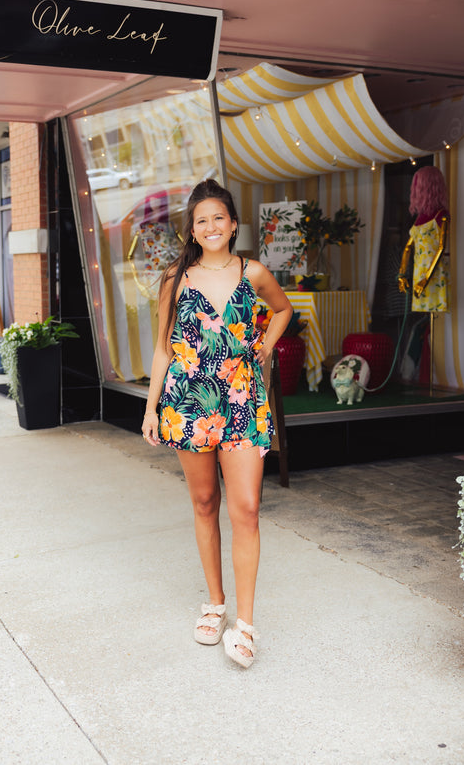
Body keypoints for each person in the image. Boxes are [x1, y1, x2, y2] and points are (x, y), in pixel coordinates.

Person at [141, 179, 293, 668]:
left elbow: (283, 309)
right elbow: (165, 346)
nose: (211, 227)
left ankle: (245, 626)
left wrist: (266, 343)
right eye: (201, 219)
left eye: (219, 218)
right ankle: (215, 604)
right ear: (193, 227)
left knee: (245, 508)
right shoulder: (176, 277)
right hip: (188, 401)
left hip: (244, 400)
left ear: (233, 224)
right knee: (205, 501)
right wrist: (149, 408)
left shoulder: (254, 272)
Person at [398, 165, 450, 313]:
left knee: (434, 313)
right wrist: (401, 274)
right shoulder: (420, 218)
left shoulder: (441, 215)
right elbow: (408, 247)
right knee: (425, 314)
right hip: (419, 271)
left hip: (433, 272)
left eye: (418, 186)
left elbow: (441, 248)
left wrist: (425, 280)